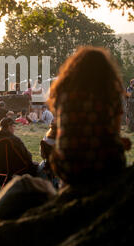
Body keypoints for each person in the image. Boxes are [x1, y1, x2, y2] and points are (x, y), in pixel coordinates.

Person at [48, 46, 128, 186]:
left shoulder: (63, 93)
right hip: (104, 166)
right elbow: (115, 132)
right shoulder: (111, 94)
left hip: (68, 167)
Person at [0, 117, 37, 186]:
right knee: (36, 166)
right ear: (9, 127)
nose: (14, 129)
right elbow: (27, 156)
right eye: (13, 126)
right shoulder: (13, 140)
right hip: (15, 169)